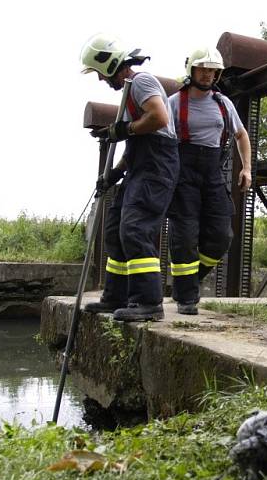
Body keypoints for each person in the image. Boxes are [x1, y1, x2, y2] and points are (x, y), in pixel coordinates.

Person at [79, 33, 179, 321]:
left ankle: (148, 303)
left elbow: (158, 118)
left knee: (135, 228)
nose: (100, 80)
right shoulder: (127, 94)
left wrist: (125, 130)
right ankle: (115, 296)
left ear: (108, 63)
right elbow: (134, 147)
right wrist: (114, 174)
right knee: (115, 230)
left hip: (157, 167)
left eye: (99, 73)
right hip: (140, 167)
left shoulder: (142, 82)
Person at [167, 45, 252, 314]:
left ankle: (189, 282)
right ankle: (186, 298)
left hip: (212, 172)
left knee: (220, 234)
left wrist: (246, 168)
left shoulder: (223, 103)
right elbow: (159, 139)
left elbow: (241, 136)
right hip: (183, 174)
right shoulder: (174, 102)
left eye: (213, 71)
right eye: (203, 69)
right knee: (185, 235)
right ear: (192, 70)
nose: (207, 75)